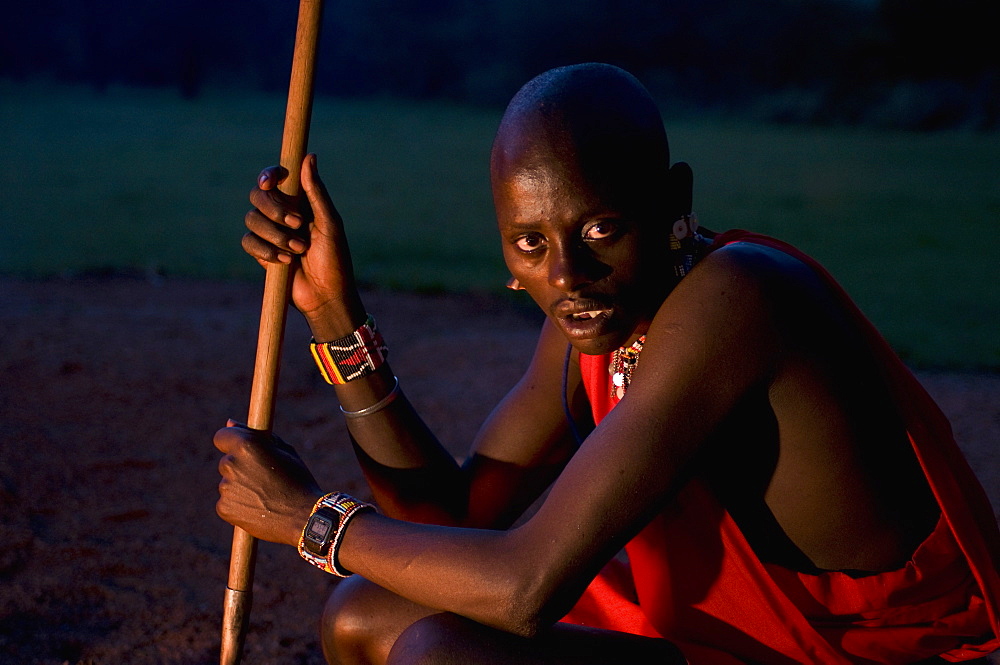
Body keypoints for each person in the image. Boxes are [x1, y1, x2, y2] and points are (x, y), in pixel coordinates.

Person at [214, 63, 1000, 664]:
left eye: (600, 229)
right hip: (721, 646)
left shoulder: (738, 299)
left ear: (671, 203)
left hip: (851, 659)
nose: (565, 277)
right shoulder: (601, 314)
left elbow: (525, 588)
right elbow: (447, 519)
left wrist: (306, 519)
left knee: (435, 651)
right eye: (531, 243)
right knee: (362, 610)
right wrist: (333, 313)